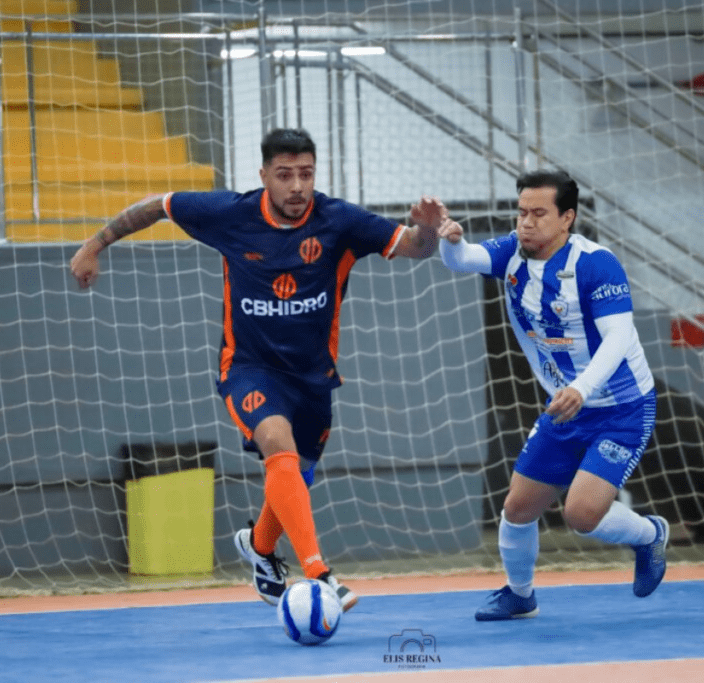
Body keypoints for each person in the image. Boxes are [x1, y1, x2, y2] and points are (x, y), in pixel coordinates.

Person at [70, 128, 446, 612]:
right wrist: (95, 244)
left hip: (312, 376)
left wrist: (431, 228)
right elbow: (158, 205)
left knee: (295, 472)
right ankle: (319, 572)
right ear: (264, 175)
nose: (297, 186)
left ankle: (260, 546)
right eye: (285, 175)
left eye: (306, 174)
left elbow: (416, 247)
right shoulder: (231, 214)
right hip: (247, 367)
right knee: (277, 443)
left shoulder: (340, 221)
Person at [437, 169, 667, 621]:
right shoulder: (511, 255)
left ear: (567, 218)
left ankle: (648, 535)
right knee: (518, 507)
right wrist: (448, 238)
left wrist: (581, 388)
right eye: (521, 212)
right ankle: (520, 594)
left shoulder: (596, 264)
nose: (526, 222)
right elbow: (460, 259)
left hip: (621, 408)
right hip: (567, 409)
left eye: (539, 213)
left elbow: (620, 337)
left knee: (580, 516)